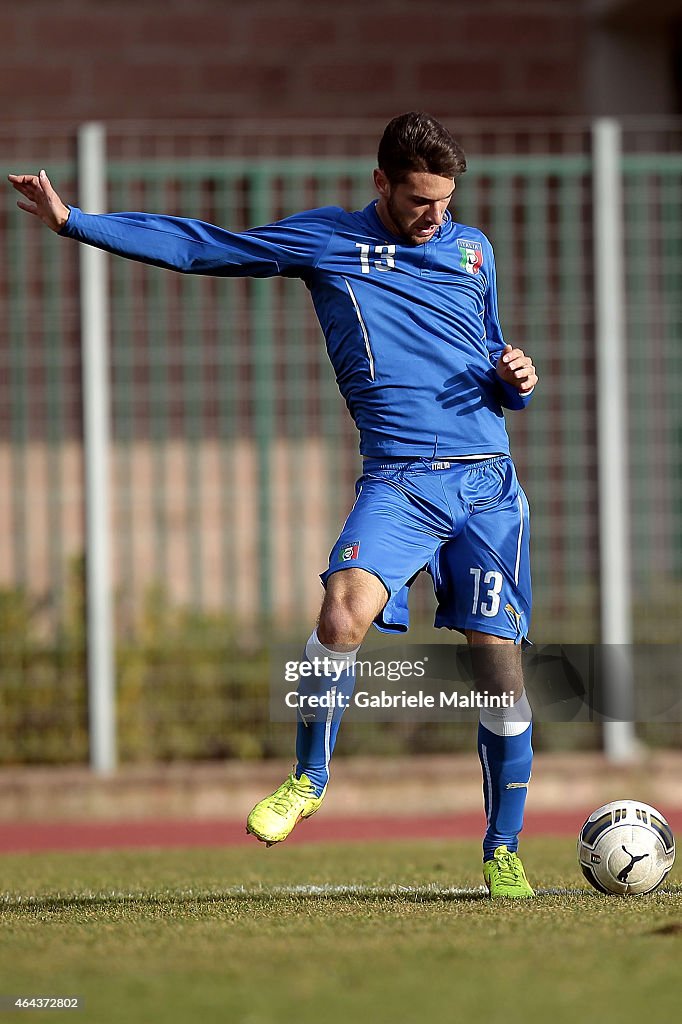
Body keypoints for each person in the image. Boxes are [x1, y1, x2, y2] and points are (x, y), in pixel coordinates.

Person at [9, 112, 538, 898]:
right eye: (421, 200)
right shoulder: (327, 241)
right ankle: (308, 779)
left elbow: (488, 350)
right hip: (400, 481)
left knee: (500, 676)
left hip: (489, 487)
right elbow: (201, 246)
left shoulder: (471, 248)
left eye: (445, 200)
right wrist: (76, 221)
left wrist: (515, 377)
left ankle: (502, 849)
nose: (436, 216)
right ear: (381, 183)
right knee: (339, 615)